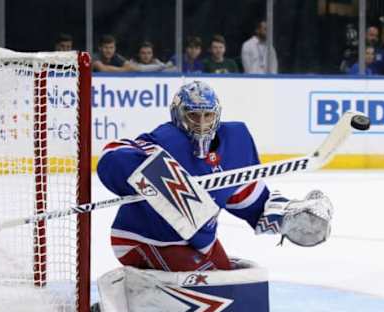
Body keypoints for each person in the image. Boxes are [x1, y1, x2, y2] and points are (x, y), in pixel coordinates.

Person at [97, 81, 333, 272]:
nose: (201, 124)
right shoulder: (165, 141)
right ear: (177, 115)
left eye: (207, 116)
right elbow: (113, 156)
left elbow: (244, 196)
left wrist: (282, 218)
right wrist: (161, 177)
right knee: (216, 286)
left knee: (232, 279)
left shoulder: (235, 143)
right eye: (193, 116)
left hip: (196, 240)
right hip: (144, 238)